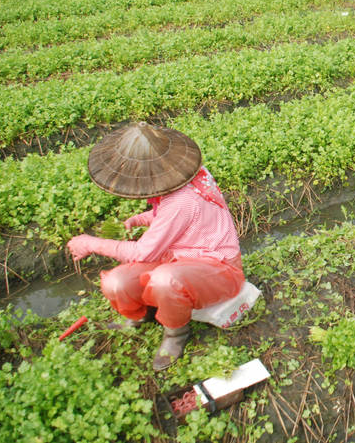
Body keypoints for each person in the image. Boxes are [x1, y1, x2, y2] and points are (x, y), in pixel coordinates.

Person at [66, 122, 246, 370]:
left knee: (165, 280)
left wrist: (90, 243)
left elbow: (143, 252)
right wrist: (140, 219)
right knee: (115, 283)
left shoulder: (181, 200)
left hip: (219, 268)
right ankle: (141, 316)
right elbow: (175, 216)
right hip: (177, 257)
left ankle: (176, 334)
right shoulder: (185, 178)